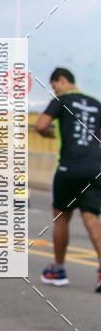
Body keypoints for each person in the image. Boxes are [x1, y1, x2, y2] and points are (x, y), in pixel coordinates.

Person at [36, 67, 101, 291]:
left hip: (69, 168)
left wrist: (46, 133)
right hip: (95, 167)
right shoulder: (95, 104)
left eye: (54, 86)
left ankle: (58, 270)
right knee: (91, 218)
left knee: (61, 217)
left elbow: (41, 125)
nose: (55, 90)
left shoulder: (61, 100)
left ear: (62, 81)